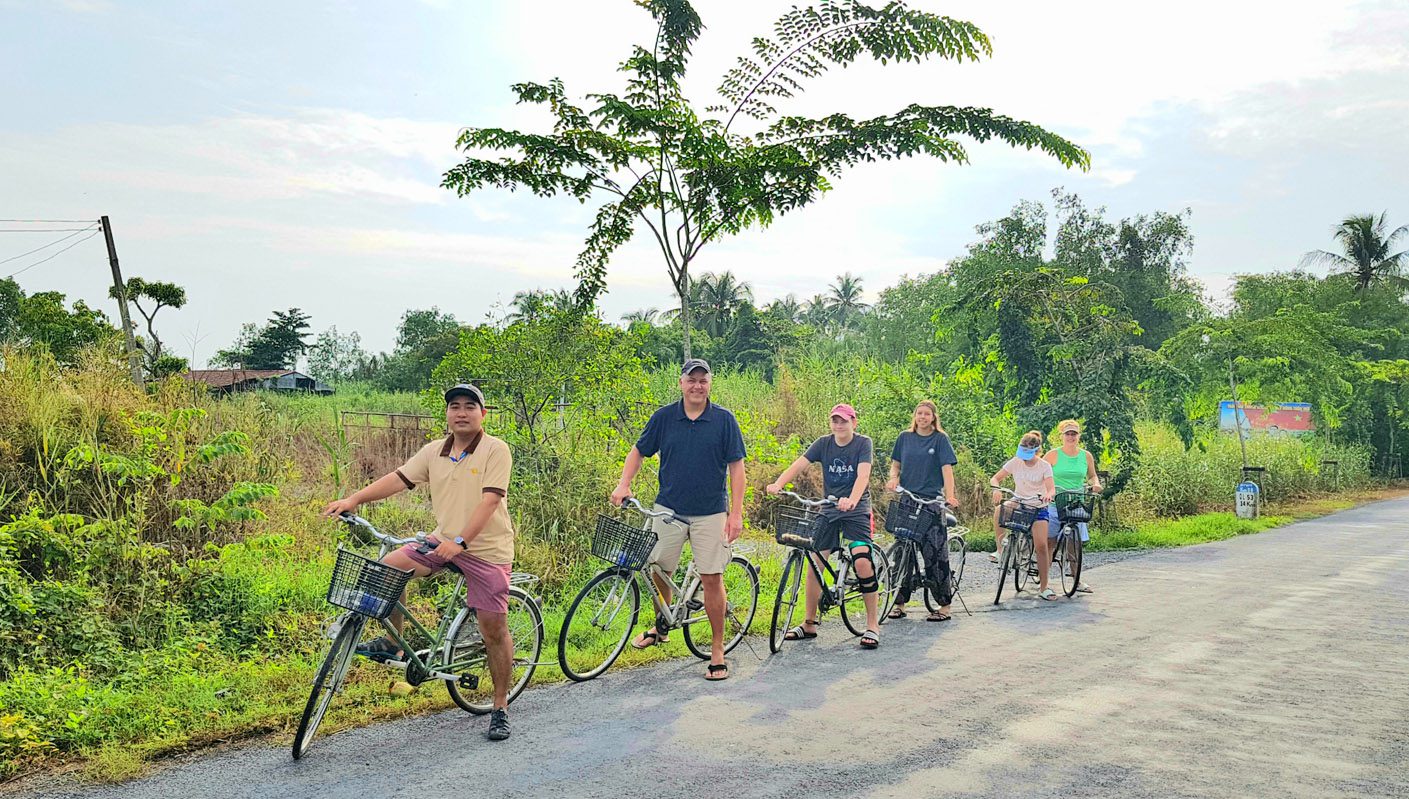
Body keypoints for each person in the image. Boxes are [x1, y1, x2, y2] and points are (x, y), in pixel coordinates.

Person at [322, 384, 518, 741]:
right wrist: (354, 499)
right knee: (388, 568)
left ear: (482, 414)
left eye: (469, 407)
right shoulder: (434, 451)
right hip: (441, 542)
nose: (461, 412)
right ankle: (394, 642)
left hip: (487, 551)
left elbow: (490, 501)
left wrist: (461, 541)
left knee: (493, 629)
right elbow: (399, 479)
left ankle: (500, 704)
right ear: (446, 414)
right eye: (454, 406)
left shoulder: (495, 449)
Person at [611, 359, 746, 681]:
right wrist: (623, 483)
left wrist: (736, 512)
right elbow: (639, 451)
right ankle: (662, 627)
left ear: (710, 383)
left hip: (711, 511)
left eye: (703, 380)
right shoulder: (664, 417)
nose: (697, 386)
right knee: (659, 569)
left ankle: (716, 649)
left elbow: (737, 468)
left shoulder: (724, 420)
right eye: (691, 380)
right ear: (681, 383)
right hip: (668, 509)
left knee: (711, 578)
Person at [766, 403, 883, 649]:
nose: (839, 425)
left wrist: (852, 499)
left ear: (854, 422)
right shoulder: (823, 443)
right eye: (835, 421)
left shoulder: (863, 443)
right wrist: (778, 483)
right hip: (829, 508)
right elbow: (799, 465)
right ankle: (809, 623)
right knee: (815, 560)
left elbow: (863, 475)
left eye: (844, 420)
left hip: (857, 509)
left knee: (861, 559)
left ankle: (872, 624)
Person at [883, 400, 959, 622]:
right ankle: (899, 603)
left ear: (934, 417)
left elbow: (947, 471)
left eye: (927, 414)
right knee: (902, 552)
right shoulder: (904, 438)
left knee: (934, 554)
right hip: (908, 498)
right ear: (915, 416)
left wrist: (950, 495)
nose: (922, 417)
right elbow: (895, 464)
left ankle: (944, 605)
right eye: (919, 413)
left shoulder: (940, 439)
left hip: (931, 501)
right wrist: (893, 478)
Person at [988, 429, 1058, 601]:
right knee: (1000, 510)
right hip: (1019, 501)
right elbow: (995, 478)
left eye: (1028, 452)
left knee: (1041, 546)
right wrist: (996, 489)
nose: (1025, 456)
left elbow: (1051, 487)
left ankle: (1044, 586)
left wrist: (1049, 495)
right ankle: (1000, 549)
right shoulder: (1015, 462)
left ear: (1036, 451)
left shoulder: (1044, 466)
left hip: (1037, 506)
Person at [1044, 419, 1102, 594]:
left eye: (1074, 434)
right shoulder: (1052, 455)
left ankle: (1076, 579)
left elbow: (1092, 476)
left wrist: (1096, 484)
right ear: (1062, 436)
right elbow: (1041, 472)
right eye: (1067, 434)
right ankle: (1044, 580)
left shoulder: (1086, 456)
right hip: (1055, 502)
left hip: (1075, 502)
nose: (1071, 437)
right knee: (1050, 541)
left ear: (1079, 436)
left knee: (1074, 543)